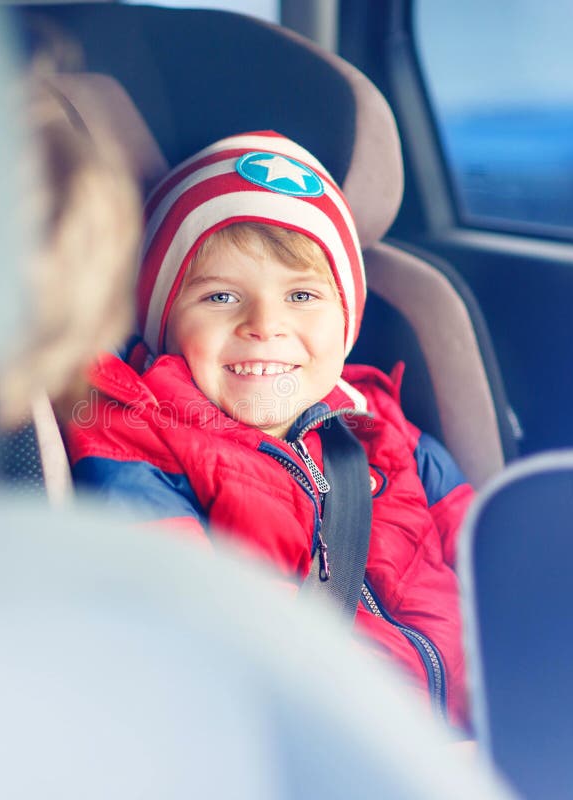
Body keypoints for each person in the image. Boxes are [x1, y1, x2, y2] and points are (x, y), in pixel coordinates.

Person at [64, 130, 474, 732]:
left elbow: (503, 575)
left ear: (346, 321)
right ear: (163, 321)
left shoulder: (388, 433)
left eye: (302, 295)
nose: (265, 325)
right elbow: (191, 648)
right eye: (222, 296)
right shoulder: (137, 446)